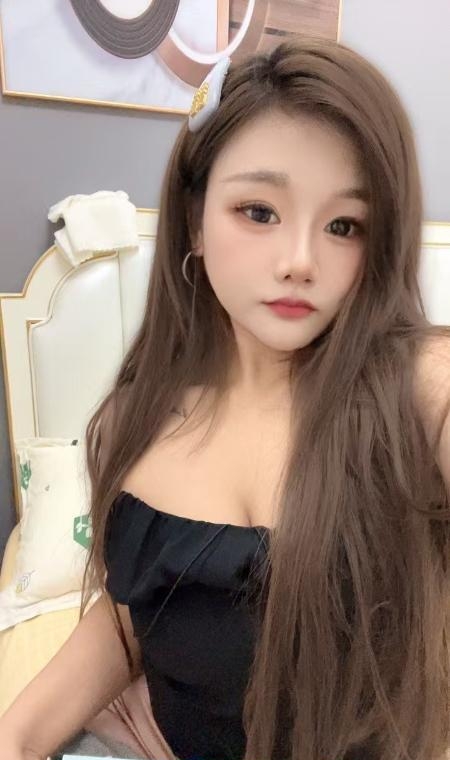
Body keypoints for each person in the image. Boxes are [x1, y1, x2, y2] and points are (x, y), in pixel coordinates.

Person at [1, 34, 449, 760]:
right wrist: (17, 733)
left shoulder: (420, 391)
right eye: (259, 211)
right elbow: (134, 615)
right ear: (196, 221)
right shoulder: (132, 423)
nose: (299, 261)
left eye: (344, 226)